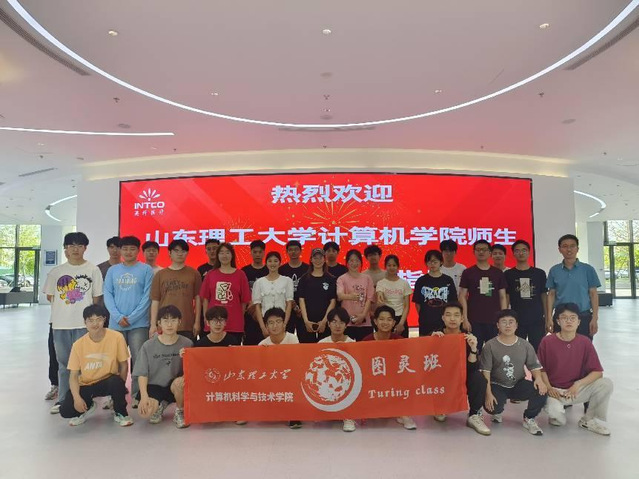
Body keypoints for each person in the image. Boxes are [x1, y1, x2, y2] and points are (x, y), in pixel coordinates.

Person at [43, 232, 103, 415]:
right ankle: (63, 400)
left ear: (85, 248)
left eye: (79, 245)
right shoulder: (56, 272)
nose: (75, 249)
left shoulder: (93, 270)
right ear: (66, 249)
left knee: (84, 364)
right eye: (71, 245)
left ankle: (84, 399)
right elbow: (50, 296)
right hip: (60, 325)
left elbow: (96, 298)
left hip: (83, 326)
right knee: (63, 364)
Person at [538, 303, 613, 435]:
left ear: (578, 322)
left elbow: (597, 372)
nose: (569, 321)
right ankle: (555, 412)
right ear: (558, 321)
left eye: (572, 318)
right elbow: (540, 369)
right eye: (564, 318)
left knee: (605, 384)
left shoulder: (585, 342)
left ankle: (588, 420)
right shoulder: (547, 341)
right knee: (558, 421)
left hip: (575, 390)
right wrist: (549, 388)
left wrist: (577, 385)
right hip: (554, 391)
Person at [60, 304, 133, 427]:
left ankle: (120, 412)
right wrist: (77, 398)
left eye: (98, 319)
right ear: (85, 322)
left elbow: (124, 365)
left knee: (117, 382)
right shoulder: (78, 345)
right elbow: (73, 375)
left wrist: (120, 390)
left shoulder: (117, 337)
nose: (95, 324)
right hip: (86, 384)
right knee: (65, 410)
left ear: (104, 319)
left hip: (108, 380)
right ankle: (87, 406)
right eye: (91, 320)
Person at [103, 235, 154, 406]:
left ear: (138, 250)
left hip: (138, 324)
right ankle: (114, 396)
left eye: (132, 249)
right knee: (115, 360)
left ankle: (138, 395)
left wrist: (132, 318)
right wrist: (118, 316)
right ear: (120, 250)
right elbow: (108, 295)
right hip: (116, 324)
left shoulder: (146, 270)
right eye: (125, 248)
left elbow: (147, 297)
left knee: (139, 360)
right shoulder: (113, 270)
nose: (128, 252)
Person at [480, 310, 547, 436]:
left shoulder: (525, 345)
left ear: (516, 325)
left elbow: (534, 365)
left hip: (518, 384)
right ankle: (497, 411)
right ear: (498, 325)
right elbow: (486, 371)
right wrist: (488, 393)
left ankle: (529, 418)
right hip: (497, 384)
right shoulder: (490, 345)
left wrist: (538, 379)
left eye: (511, 322)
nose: (508, 325)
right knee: (493, 408)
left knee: (541, 390)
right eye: (504, 322)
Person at [431, 302, 490, 435]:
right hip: (443, 377)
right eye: (448, 315)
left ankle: (474, 415)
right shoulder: (436, 335)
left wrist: (473, 349)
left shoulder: (467, 338)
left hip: (461, 376)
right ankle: (440, 406)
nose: (452, 319)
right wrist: (432, 343)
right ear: (443, 318)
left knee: (478, 378)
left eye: (456, 315)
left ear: (462, 318)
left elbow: (472, 368)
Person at [134, 305, 192, 429]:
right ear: (159, 323)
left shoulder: (187, 343)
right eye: (165, 321)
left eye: (173, 320)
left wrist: (187, 357)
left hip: (175, 386)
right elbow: (142, 373)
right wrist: (144, 397)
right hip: (154, 386)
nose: (169, 325)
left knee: (180, 383)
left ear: (179, 322)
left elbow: (193, 370)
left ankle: (179, 411)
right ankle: (159, 405)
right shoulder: (148, 346)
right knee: (145, 412)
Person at [362, 306, 416, 430]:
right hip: (374, 378)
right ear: (375, 321)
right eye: (381, 319)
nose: (385, 322)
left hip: (394, 378)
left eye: (389, 319)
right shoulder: (366, 341)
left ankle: (404, 414)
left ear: (393, 322)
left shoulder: (400, 341)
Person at [546, 234, 601, 339]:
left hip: (583, 316)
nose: (569, 249)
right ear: (559, 249)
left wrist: (594, 318)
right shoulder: (554, 270)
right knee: (560, 346)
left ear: (577, 249)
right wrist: (549, 318)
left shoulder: (588, 269)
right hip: (560, 317)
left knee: (583, 346)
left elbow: (593, 294)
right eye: (565, 246)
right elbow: (551, 294)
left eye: (572, 246)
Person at [458, 240, 507, 350]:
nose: (481, 252)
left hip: (494, 320)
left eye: (484, 250)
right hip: (474, 320)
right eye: (478, 250)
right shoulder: (468, 272)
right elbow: (462, 296)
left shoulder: (498, 273)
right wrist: (465, 319)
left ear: (490, 253)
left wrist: (503, 319)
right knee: (474, 351)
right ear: (474, 252)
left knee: (495, 351)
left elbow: (503, 297)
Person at [150, 240, 202, 341]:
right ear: (169, 253)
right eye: (176, 251)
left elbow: (198, 299)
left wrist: (197, 322)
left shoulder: (194, 273)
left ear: (187, 253)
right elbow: (155, 301)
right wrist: (153, 324)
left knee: (187, 351)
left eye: (183, 251)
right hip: (165, 324)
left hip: (187, 324)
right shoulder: (160, 274)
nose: (180, 254)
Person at [258, 307, 301, 429]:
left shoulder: (292, 339)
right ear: (266, 326)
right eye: (271, 323)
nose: (275, 326)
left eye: (278, 321)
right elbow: (261, 369)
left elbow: (296, 362)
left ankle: (294, 415)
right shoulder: (262, 344)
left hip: (289, 376)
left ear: (284, 324)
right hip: (272, 378)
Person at [200, 242, 251, 344]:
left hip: (234, 324)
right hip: (214, 323)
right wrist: (206, 318)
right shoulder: (210, 274)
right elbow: (205, 299)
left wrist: (239, 317)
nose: (224, 255)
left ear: (232, 255)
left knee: (233, 353)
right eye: (221, 253)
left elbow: (244, 301)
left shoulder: (240, 274)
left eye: (227, 252)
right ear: (218, 255)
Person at [504, 239, 547, 351]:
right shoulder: (508, 274)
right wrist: (504, 318)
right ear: (513, 254)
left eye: (524, 250)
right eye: (517, 251)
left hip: (537, 319)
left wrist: (547, 318)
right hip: (516, 320)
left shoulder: (539, 273)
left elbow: (544, 296)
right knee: (516, 350)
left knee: (537, 350)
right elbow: (506, 297)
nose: (521, 253)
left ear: (529, 252)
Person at [318, 307, 356, 432]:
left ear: (346, 325)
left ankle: (348, 417)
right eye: (334, 322)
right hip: (328, 380)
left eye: (341, 322)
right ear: (328, 324)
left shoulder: (352, 344)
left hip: (346, 381)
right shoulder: (322, 344)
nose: (337, 325)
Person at [413, 250, 458, 336]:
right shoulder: (421, 281)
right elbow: (417, 303)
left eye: (435, 261)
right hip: (426, 322)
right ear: (426, 263)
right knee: (425, 344)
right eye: (429, 262)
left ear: (441, 262)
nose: (432, 264)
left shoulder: (448, 280)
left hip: (444, 322)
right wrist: (424, 315)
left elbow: (453, 302)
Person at [298, 248, 337, 343]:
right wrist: (306, 321)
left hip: (325, 322)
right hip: (307, 322)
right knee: (308, 348)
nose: (318, 261)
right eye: (315, 258)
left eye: (320, 258)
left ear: (324, 259)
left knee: (325, 348)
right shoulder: (304, 278)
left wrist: (324, 321)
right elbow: (301, 300)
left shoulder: (330, 279)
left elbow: (333, 301)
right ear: (311, 260)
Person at [253, 252, 294, 338]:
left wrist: (284, 324)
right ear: (266, 263)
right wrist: (263, 327)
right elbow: (257, 306)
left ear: (280, 263)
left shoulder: (287, 281)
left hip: (282, 321)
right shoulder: (259, 282)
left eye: (275, 261)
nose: (273, 264)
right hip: (266, 322)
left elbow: (289, 304)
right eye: (270, 261)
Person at [337, 249, 375, 342]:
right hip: (346, 322)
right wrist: (351, 296)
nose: (354, 263)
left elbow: (369, 299)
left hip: (365, 322)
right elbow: (339, 295)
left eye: (357, 260)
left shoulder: (367, 278)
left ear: (361, 262)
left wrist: (363, 315)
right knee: (347, 348)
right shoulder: (342, 279)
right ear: (347, 263)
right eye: (351, 260)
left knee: (364, 348)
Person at [376, 255, 412, 338]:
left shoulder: (404, 283)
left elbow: (406, 306)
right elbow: (379, 296)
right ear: (385, 267)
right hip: (387, 319)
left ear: (398, 267)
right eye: (389, 265)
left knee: (402, 344)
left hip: (400, 318)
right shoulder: (381, 283)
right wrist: (380, 300)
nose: (391, 268)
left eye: (394, 265)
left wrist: (401, 324)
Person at [279, 240, 309, 334]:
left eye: (296, 249)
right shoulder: (281, 270)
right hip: (287, 309)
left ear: (300, 251)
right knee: (287, 337)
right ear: (287, 252)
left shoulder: (308, 269)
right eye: (290, 250)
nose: (293, 252)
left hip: (304, 309)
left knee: (305, 338)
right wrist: (293, 306)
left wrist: (300, 308)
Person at [242, 240, 269, 345]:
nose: (257, 254)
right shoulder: (244, 271)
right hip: (249, 313)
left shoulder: (269, 270)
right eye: (255, 252)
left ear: (264, 253)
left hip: (266, 312)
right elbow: (242, 292)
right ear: (251, 252)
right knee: (249, 344)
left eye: (260, 252)